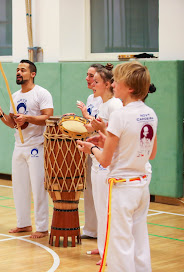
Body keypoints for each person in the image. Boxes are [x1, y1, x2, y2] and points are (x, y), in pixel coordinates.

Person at [77, 61, 157, 271]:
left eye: (117, 81)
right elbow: (152, 152)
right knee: (139, 239)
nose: (113, 85)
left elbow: (105, 160)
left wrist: (90, 149)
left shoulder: (120, 115)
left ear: (129, 87)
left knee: (120, 243)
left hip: (122, 187)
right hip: (141, 185)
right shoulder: (150, 113)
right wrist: (108, 143)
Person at [0, 60, 53, 238]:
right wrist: (1, 113)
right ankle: (23, 223)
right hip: (19, 146)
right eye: (17, 70)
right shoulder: (15, 96)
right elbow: (13, 124)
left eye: (23, 70)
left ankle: (41, 226)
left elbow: (48, 117)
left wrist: (27, 117)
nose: (19, 72)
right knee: (19, 186)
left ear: (32, 74)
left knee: (38, 187)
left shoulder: (42, 93)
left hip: (36, 146)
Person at [86, 64, 123, 263]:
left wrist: (100, 131)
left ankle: (110, 251)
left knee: (107, 209)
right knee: (100, 208)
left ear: (108, 84)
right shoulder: (102, 104)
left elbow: (115, 138)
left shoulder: (115, 105)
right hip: (97, 159)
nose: (92, 83)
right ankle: (102, 246)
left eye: (97, 81)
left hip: (106, 162)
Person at [76, 63, 104, 241]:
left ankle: (102, 231)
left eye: (91, 75)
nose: (87, 78)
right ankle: (91, 229)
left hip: (102, 146)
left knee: (100, 191)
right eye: (87, 75)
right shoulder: (90, 97)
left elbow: (100, 124)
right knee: (89, 189)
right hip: (90, 145)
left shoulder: (106, 99)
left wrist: (87, 118)